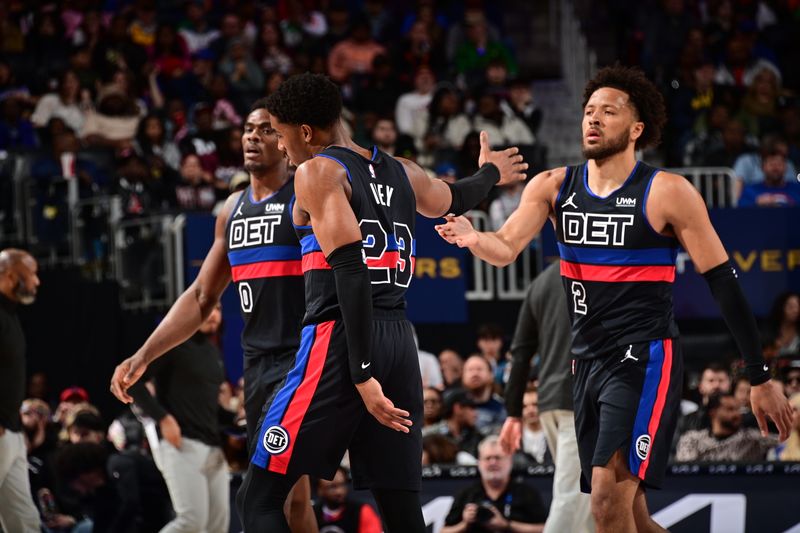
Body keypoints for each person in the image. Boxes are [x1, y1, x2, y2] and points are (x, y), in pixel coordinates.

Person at [435, 64, 792, 533]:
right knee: (632, 517)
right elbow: (505, 247)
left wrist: (759, 375)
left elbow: (723, 281)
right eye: (588, 111)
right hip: (586, 363)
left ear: (637, 128)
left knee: (605, 500)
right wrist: (473, 237)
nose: (593, 119)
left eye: (608, 111)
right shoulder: (553, 185)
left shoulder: (667, 192)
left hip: (644, 359)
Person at [237, 72, 526, 532]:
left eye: (279, 131)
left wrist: (362, 373)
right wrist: (491, 172)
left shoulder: (318, 171)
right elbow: (454, 196)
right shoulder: (404, 170)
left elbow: (351, 270)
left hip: (341, 339)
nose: (279, 143)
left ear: (306, 132)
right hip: (398, 340)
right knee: (401, 510)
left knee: (259, 498)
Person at [109, 100, 317, 532]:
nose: (251, 137)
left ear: (286, 141)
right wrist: (144, 355)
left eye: (265, 130)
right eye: (247, 129)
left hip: (303, 357)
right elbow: (202, 295)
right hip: (258, 364)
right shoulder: (232, 209)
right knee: (280, 496)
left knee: (280, 493)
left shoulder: (307, 194)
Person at [499, 260, 593, 533]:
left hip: (550, 401)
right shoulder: (597, 268)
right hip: (581, 398)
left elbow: (520, 353)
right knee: (572, 495)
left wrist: (513, 412)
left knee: (589, 499)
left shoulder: (540, 282)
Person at [127, 306, 232, 533]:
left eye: (218, 309)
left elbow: (211, 407)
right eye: (208, 308)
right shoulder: (172, 344)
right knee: (191, 523)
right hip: (181, 444)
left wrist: (237, 418)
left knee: (218, 528)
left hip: (214, 448)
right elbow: (133, 382)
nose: (213, 314)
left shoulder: (213, 353)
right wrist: (163, 419)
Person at [0, 248, 42, 533]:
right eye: (32, 274)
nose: (37, 281)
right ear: (11, 274)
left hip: (11, 431)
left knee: (24, 519)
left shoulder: (10, 315)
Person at [441, 435, 547, 533]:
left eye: (498, 458)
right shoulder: (467, 494)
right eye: (487, 458)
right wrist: (464, 524)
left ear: (509, 461)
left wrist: (507, 525)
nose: (492, 463)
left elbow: (546, 529)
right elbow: (443, 531)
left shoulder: (526, 493)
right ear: (479, 462)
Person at [675, 392, 777, 462]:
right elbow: (685, 469)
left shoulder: (752, 439)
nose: (737, 414)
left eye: (738, 409)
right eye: (730, 409)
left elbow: (786, 442)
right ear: (713, 413)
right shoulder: (692, 439)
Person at [313, 467, 382, 533]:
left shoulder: (361, 510)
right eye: (332, 487)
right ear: (319, 490)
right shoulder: (312, 514)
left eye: (342, 485)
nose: (339, 491)